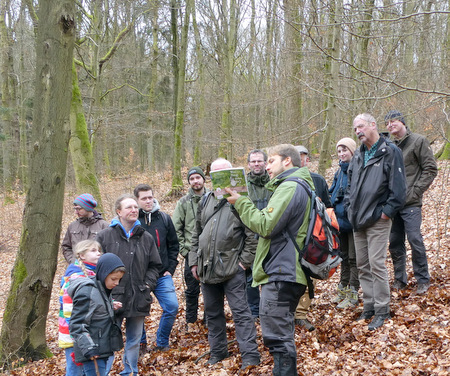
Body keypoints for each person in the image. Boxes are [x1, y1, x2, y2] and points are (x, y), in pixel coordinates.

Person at [226, 144, 313, 376]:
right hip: (286, 270)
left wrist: (241, 202)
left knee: (278, 337)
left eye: (271, 160)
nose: (266, 166)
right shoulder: (298, 185)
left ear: (287, 161)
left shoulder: (290, 187)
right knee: (280, 333)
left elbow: (266, 225)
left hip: (283, 271)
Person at [189, 158, 260, 370]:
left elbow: (253, 234)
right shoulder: (205, 200)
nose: (218, 177)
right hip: (207, 268)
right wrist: (194, 262)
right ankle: (218, 352)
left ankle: (250, 356)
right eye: (215, 173)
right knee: (212, 313)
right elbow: (196, 233)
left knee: (241, 313)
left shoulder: (242, 199)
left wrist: (243, 264)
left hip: (232, 269)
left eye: (224, 172)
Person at [345, 113, 406, 330]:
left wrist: (386, 212)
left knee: (376, 263)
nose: (357, 131)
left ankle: (383, 310)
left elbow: (398, 189)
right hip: (358, 220)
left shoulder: (389, 151)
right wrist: (349, 208)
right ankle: (369, 306)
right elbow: (349, 186)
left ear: (373, 125)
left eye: (360, 126)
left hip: (378, 218)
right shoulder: (359, 155)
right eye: (354, 129)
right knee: (362, 265)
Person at [96, 194, 161, 376]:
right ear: (118, 212)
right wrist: (104, 290)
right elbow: (95, 266)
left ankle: (130, 372)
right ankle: (103, 372)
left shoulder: (146, 237)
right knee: (108, 339)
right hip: (111, 297)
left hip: (139, 296)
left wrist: (147, 284)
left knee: (133, 340)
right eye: (129, 207)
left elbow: (155, 265)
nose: (134, 210)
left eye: (135, 207)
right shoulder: (104, 236)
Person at [385, 110, 438, 294]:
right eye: (387, 124)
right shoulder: (389, 146)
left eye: (393, 122)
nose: (390, 125)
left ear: (402, 122)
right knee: (394, 242)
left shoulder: (418, 141)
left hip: (411, 203)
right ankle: (400, 280)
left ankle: (423, 279)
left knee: (415, 239)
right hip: (393, 204)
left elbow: (430, 169)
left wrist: (415, 191)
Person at [133, 184, 179, 352]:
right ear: (137, 200)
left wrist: (171, 268)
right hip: (139, 276)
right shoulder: (132, 221)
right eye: (144, 198)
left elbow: (174, 244)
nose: (148, 201)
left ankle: (162, 341)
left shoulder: (164, 218)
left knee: (172, 307)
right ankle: (141, 343)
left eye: (150, 197)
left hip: (161, 274)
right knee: (137, 312)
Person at [68, 253, 126, 376]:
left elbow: (96, 311)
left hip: (103, 347)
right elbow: (77, 324)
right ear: (104, 274)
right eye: (114, 279)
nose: (117, 283)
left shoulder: (104, 289)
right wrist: (89, 348)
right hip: (91, 351)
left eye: (119, 279)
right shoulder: (87, 292)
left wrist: (111, 307)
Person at [294, 145, 332, 331]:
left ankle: (300, 314)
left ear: (307, 160)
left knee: (311, 275)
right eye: (295, 156)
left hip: (314, 237)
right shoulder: (280, 182)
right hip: (290, 237)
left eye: (302, 157)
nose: (299, 160)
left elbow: (328, 207)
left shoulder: (318, 180)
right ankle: (288, 312)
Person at [172, 167, 208, 330]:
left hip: (210, 253)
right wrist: (184, 251)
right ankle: (191, 322)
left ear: (203, 179)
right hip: (191, 254)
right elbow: (176, 228)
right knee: (192, 291)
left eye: (197, 178)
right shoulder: (184, 202)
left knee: (211, 290)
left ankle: (210, 320)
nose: (195, 181)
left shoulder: (212, 198)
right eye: (192, 178)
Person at [59, 239, 102, 376]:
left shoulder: (93, 274)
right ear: (82, 255)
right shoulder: (74, 277)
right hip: (74, 334)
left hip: (87, 331)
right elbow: (69, 310)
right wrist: (78, 333)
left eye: (99, 250)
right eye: (93, 251)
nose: (99, 254)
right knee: (75, 371)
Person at [329, 138, 360, 309]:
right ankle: (343, 289)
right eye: (339, 151)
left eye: (345, 150)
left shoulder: (358, 169)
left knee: (355, 259)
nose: (341, 154)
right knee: (344, 257)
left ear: (352, 151)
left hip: (354, 221)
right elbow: (333, 192)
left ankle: (353, 293)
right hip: (340, 222)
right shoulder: (339, 171)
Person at [246, 149, 272, 319]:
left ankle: (270, 309)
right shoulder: (243, 185)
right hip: (249, 236)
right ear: (248, 164)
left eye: (259, 161)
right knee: (250, 277)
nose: (256, 164)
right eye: (253, 161)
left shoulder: (274, 181)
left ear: (265, 162)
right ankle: (254, 311)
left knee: (271, 274)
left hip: (271, 234)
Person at [62, 193, 109, 263]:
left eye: (79, 209)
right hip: (76, 269)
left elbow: (109, 249)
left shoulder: (104, 225)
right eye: (75, 209)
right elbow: (66, 247)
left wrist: (99, 262)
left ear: (88, 208)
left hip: (97, 269)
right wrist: (73, 261)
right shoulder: (72, 226)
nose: (76, 212)